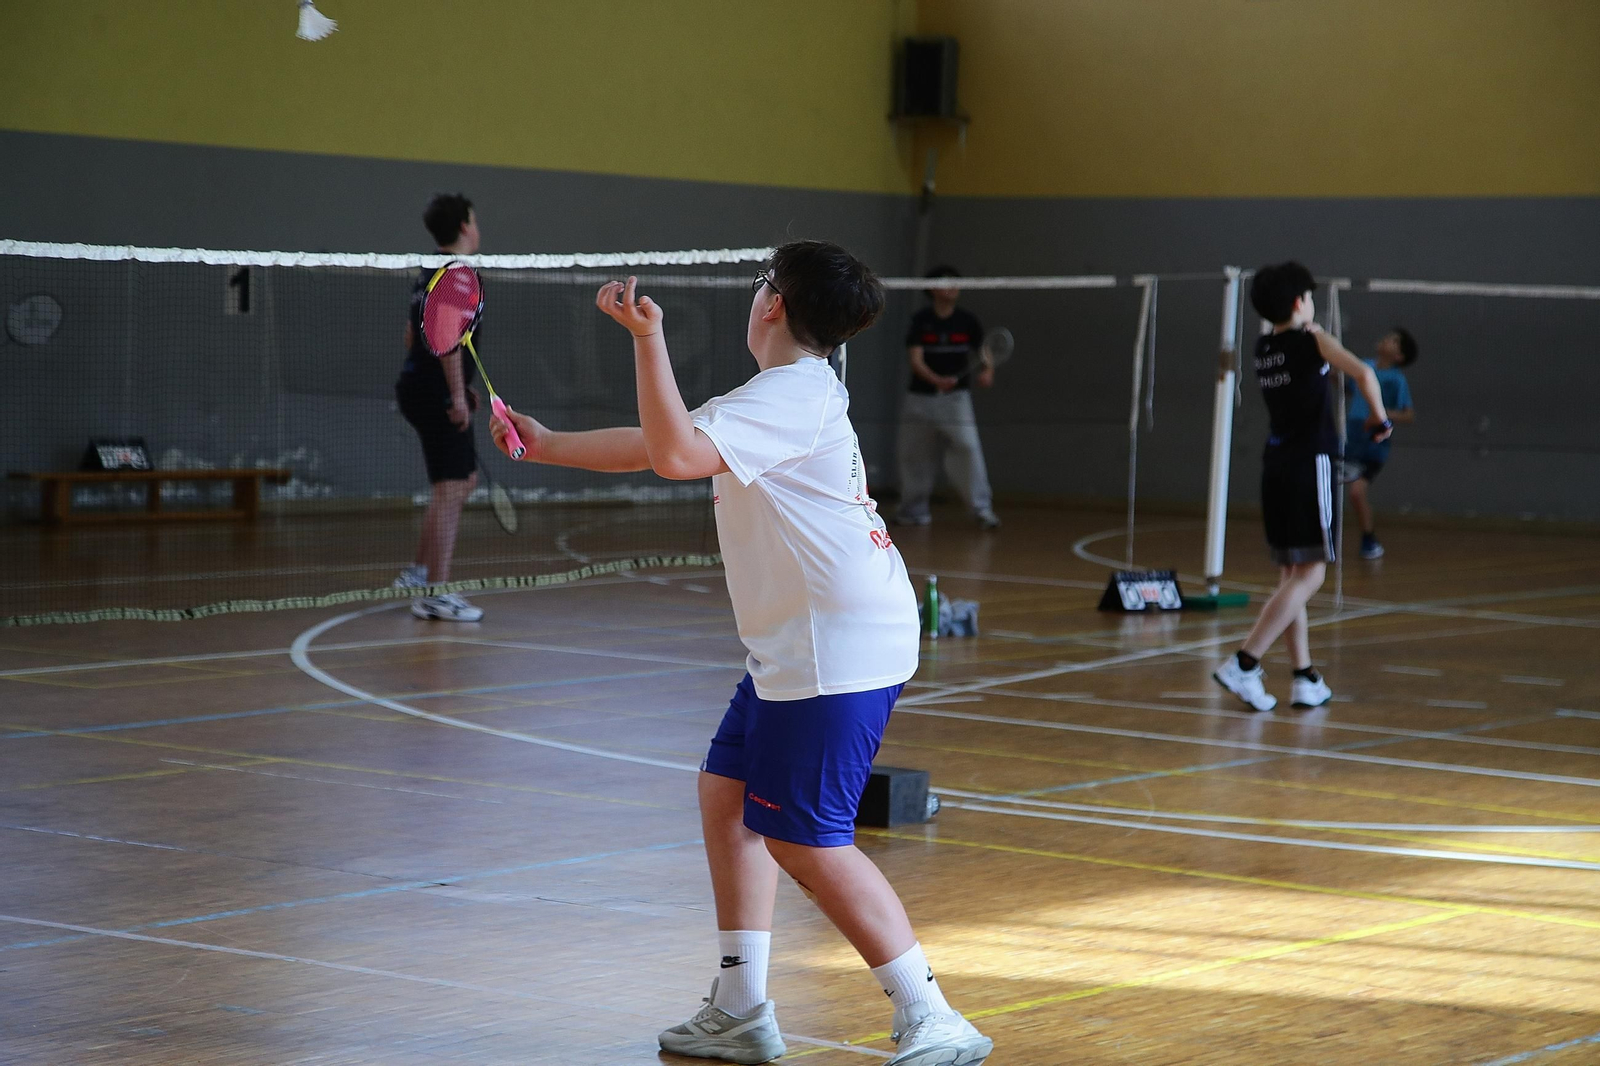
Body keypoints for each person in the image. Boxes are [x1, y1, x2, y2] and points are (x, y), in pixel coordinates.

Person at [492, 240, 993, 1066]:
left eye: (763, 281)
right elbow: (672, 444)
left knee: (807, 837)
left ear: (771, 306)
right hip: (799, 643)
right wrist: (547, 444)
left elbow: (677, 455)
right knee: (728, 794)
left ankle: (932, 1014)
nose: (757, 291)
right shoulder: (782, 394)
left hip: (836, 646)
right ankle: (740, 1005)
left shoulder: (793, 395)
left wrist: (647, 340)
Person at [1213, 262, 1392, 712]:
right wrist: (1380, 419)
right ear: (1300, 302)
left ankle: (1304, 677)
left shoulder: (1262, 347)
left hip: (1276, 465)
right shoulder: (1313, 341)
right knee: (1311, 575)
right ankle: (1245, 661)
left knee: (1291, 575)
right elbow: (1364, 374)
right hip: (1311, 462)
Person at [393, 192, 485, 622]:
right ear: (466, 226)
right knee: (452, 486)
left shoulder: (428, 269)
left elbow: (414, 336)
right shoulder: (459, 274)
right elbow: (446, 338)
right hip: (436, 392)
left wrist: (460, 386)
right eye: (475, 219)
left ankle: (419, 572)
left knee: (460, 481)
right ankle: (436, 592)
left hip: (418, 385)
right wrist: (454, 394)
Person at [894, 266, 1001, 530]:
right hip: (920, 398)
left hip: (956, 400)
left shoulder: (967, 321)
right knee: (913, 455)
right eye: (944, 282)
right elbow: (915, 360)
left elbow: (984, 352)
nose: (951, 286)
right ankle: (912, 511)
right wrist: (936, 379)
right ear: (931, 289)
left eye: (955, 281)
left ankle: (982, 510)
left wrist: (988, 370)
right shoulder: (921, 320)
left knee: (968, 449)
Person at [1344, 328, 1417, 559]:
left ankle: (1369, 540)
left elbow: (1409, 415)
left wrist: (1381, 412)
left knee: (1356, 492)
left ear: (1399, 356)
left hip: (1374, 442)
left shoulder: (1397, 380)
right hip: (1351, 436)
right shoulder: (1364, 365)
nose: (1387, 339)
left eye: (1394, 341)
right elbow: (1348, 388)